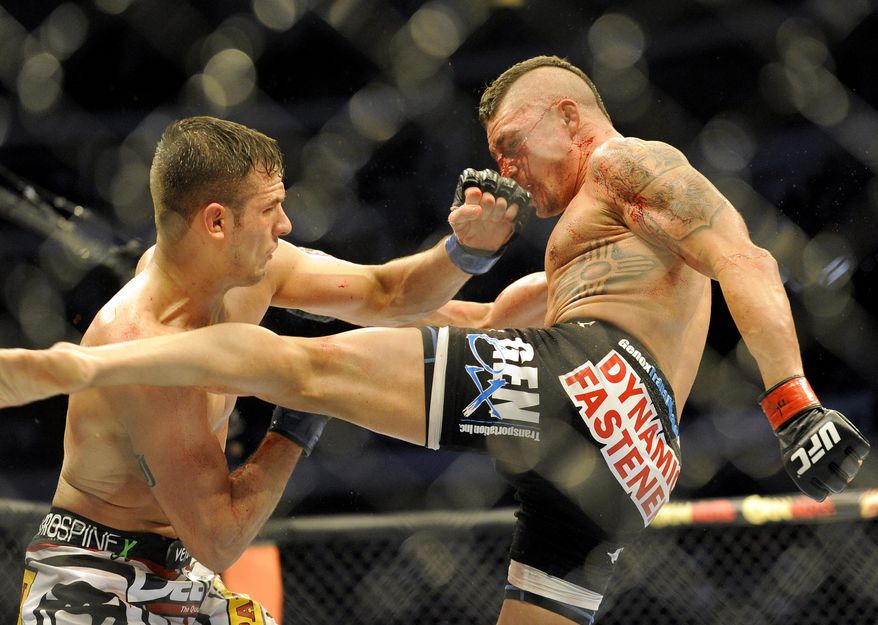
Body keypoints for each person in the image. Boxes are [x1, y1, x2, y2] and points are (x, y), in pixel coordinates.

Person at [1, 56, 871, 625]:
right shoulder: (590, 266)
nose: (511, 171)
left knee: (305, 368)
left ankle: (78, 366)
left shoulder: (625, 163)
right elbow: (458, 317)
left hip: (594, 391)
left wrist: (793, 401)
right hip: (633, 466)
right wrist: (462, 255)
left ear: (568, 117)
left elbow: (747, 257)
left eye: (513, 146)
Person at [5, 115, 531, 624]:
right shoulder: (143, 349)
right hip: (93, 580)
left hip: (183, 574)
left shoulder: (253, 272)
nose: (286, 224)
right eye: (271, 208)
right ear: (217, 222)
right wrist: (297, 420)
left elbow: (386, 293)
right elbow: (219, 537)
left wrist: (466, 251)